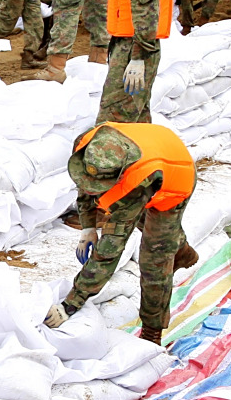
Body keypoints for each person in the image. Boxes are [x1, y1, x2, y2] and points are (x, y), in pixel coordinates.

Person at [44, 123, 198, 345]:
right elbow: (85, 186)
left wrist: (70, 305)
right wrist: (88, 228)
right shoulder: (88, 147)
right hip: (157, 148)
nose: (92, 187)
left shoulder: (138, 182)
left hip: (175, 178)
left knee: (155, 255)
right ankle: (180, 248)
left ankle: (152, 331)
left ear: (119, 175)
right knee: (153, 227)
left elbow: (109, 252)